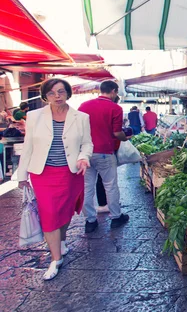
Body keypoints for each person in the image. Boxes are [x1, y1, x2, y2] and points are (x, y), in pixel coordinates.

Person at [15, 78, 93, 280]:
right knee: (49, 213)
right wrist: (21, 174)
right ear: (45, 96)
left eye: (61, 91)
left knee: (65, 211)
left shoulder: (81, 117)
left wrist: (84, 158)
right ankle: (55, 259)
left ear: (68, 93)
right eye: (51, 93)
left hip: (70, 174)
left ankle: (62, 239)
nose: (57, 96)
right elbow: (29, 146)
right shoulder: (34, 116)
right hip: (43, 174)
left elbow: (87, 144)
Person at [78, 80, 129, 234]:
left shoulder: (83, 106)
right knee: (110, 185)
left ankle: (90, 221)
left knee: (87, 188)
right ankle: (115, 217)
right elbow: (116, 133)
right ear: (113, 91)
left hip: (85, 153)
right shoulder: (115, 108)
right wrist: (125, 138)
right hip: (105, 153)